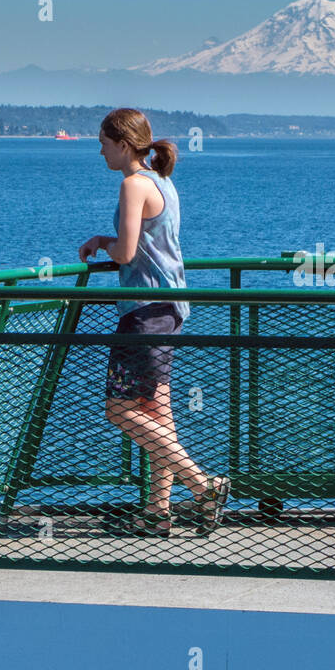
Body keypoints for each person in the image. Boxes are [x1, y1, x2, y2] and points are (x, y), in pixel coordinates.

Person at [78, 108, 229, 537]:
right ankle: (158, 510)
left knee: (119, 409)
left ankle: (203, 485)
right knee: (156, 410)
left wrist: (105, 243)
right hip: (171, 307)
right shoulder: (163, 181)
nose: (101, 152)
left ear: (123, 144)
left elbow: (126, 254)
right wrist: (107, 240)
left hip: (143, 313)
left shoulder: (132, 185)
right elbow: (141, 243)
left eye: (104, 144)